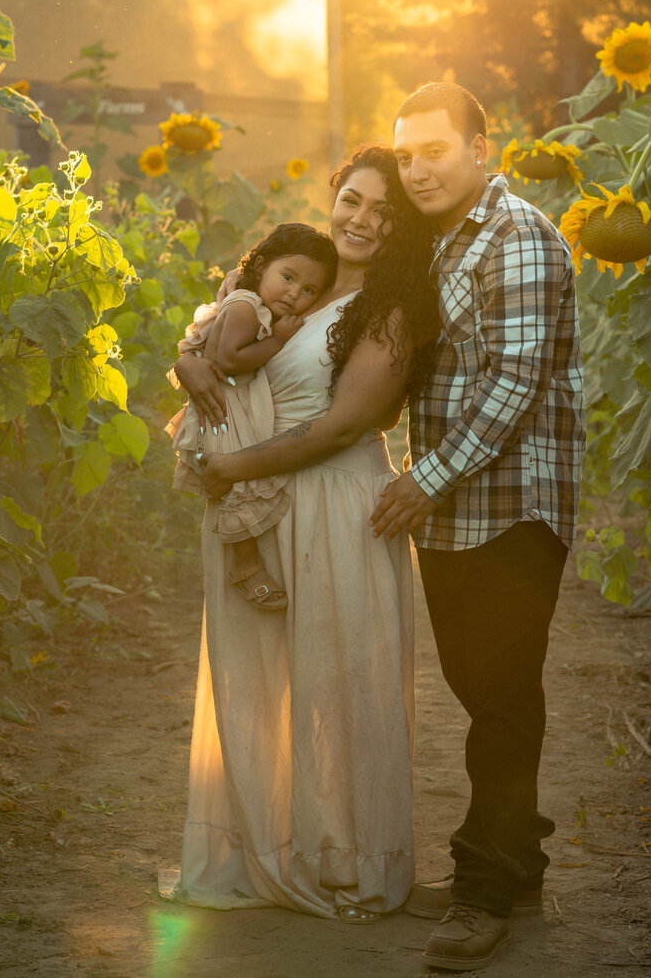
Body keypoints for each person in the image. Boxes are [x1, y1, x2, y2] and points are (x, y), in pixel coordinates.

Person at [163, 145, 439, 921]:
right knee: (259, 679)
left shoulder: (389, 309)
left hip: (339, 502)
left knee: (339, 684)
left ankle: (344, 857)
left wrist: (231, 468)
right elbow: (224, 354)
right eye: (353, 199)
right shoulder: (294, 286)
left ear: (402, 228)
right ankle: (266, 847)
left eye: (385, 212)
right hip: (259, 497)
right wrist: (189, 363)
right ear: (333, 194)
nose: (363, 219)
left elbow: (346, 422)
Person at [369, 82, 586, 971]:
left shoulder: (517, 236)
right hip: (459, 505)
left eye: (434, 149)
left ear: (480, 148)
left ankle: (484, 889)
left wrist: (423, 477)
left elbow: (513, 380)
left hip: (515, 503)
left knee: (498, 695)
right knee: (480, 681)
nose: (418, 167)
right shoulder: (436, 241)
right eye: (406, 153)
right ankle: (518, 857)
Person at [166, 222, 337, 612]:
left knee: (239, 481)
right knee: (236, 482)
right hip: (222, 411)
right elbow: (228, 360)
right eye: (288, 278)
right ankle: (245, 566)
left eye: (308, 290)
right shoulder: (245, 305)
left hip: (226, 407)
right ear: (261, 266)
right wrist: (278, 341)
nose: (294, 294)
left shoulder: (253, 302)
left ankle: (249, 561)